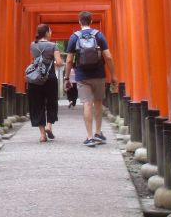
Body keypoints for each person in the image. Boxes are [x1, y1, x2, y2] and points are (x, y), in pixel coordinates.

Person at [63, 11, 117, 147]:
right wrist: (113, 75)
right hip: (99, 74)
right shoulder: (98, 35)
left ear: (80, 22)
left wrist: (66, 78)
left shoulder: (74, 37)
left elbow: (69, 60)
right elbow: (108, 57)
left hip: (82, 76)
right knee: (98, 103)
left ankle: (89, 136)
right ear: (91, 21)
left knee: (87, 104)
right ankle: (98, 133)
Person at [27, 23, 64, 142]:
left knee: (37, 105)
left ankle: (42, 135)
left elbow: (34, 60)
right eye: (50, 31)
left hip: (35, 79)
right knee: (51, 103)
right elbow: (58, 62)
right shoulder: (53, 45)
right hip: (50, 78)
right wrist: (55, 62)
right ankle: (49, 125)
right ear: (47, 32)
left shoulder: (33, 45)